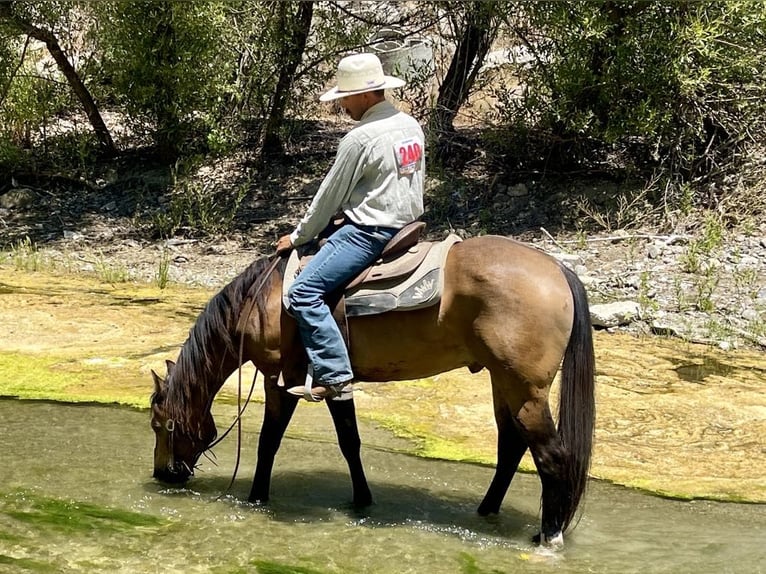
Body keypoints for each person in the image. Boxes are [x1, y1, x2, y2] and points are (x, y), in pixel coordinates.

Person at [275, 52, 425, 401]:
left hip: (370, 233)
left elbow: (327, 199)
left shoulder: (360, 138)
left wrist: (299, 236)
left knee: (302, 294)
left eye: (345, 97)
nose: (343, 105)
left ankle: (335, 373)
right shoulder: (410, 125)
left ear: (363, 95)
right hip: (409, 227)